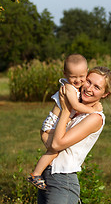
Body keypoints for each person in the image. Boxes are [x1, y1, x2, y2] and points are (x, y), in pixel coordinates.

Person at [38, 66, 111, 204]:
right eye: (88, 81)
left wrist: (66, 109)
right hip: (47, 175)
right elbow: (45, 132)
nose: (89, 88)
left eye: (97, 87)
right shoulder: (76, 108)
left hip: (63, 179)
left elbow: (55, 144)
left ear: (105, 94)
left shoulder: (95, 118)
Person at [27, 54, 102, 190]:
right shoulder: (68, 88)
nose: (78, 80)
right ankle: (36, 174)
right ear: (65, 74)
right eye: (73, 77)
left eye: (81, 76)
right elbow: (76, 106)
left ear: (87, 72)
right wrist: (94, 111)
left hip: (55, 125)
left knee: (55, 148)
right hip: (50, 126)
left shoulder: (77, 88)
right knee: (55, 149)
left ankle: (40, 173)